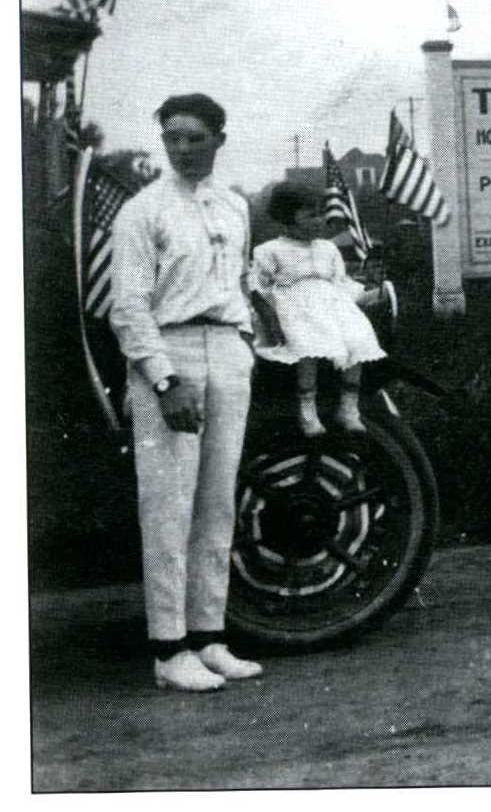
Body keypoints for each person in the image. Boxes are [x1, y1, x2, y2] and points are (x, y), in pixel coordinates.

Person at [108, 94, 264, 692]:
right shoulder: (143, 211)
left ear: (219, 138)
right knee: (169, 508)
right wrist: (164, 378)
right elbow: (128, 306)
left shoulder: (233, 205)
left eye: (194, 136)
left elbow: (238, 281)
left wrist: (244, 338)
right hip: (167, 354)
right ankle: (169, 650)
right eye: (171, 136)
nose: (181, 147)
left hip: (226, 349)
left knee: (218, 502)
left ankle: (208, 638)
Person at [252, 183, 386, 437]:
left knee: (358, 338)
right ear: (287, 219)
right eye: (309, 215)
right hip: (295, 307)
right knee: (308, 344)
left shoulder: (328, 248)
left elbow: (341, 283)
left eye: (320, 214)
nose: (319, 220)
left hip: (332, 305)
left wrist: (368, 293)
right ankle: (307, 409)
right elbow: (259, 287)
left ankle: (348, 407)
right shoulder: (269, 250)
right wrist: (270, 318)